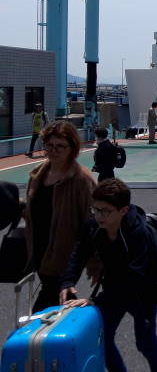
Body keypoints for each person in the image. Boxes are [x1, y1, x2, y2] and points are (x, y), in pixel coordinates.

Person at [60, 179, 157, 372]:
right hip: (114, 290)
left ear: (123, 211)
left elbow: (135, 276)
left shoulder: (139, 234)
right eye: (96, 209)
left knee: (145, 342)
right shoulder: (94, 226)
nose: (99, 216)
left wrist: (95, 300)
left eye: (105, 211)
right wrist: (68, 281)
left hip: (142, 293)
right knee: (103, 339)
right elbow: (79, 253)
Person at [23, 120, 96, 311]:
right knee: (58, 302)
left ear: (72, 148)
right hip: (38, 248)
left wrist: (93, 259)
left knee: (47, 303)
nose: (53, 151)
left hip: (64, 253)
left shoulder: (81, 180)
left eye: (60, 146)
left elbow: (92, 221)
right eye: (49, 146)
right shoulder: (38, 175)